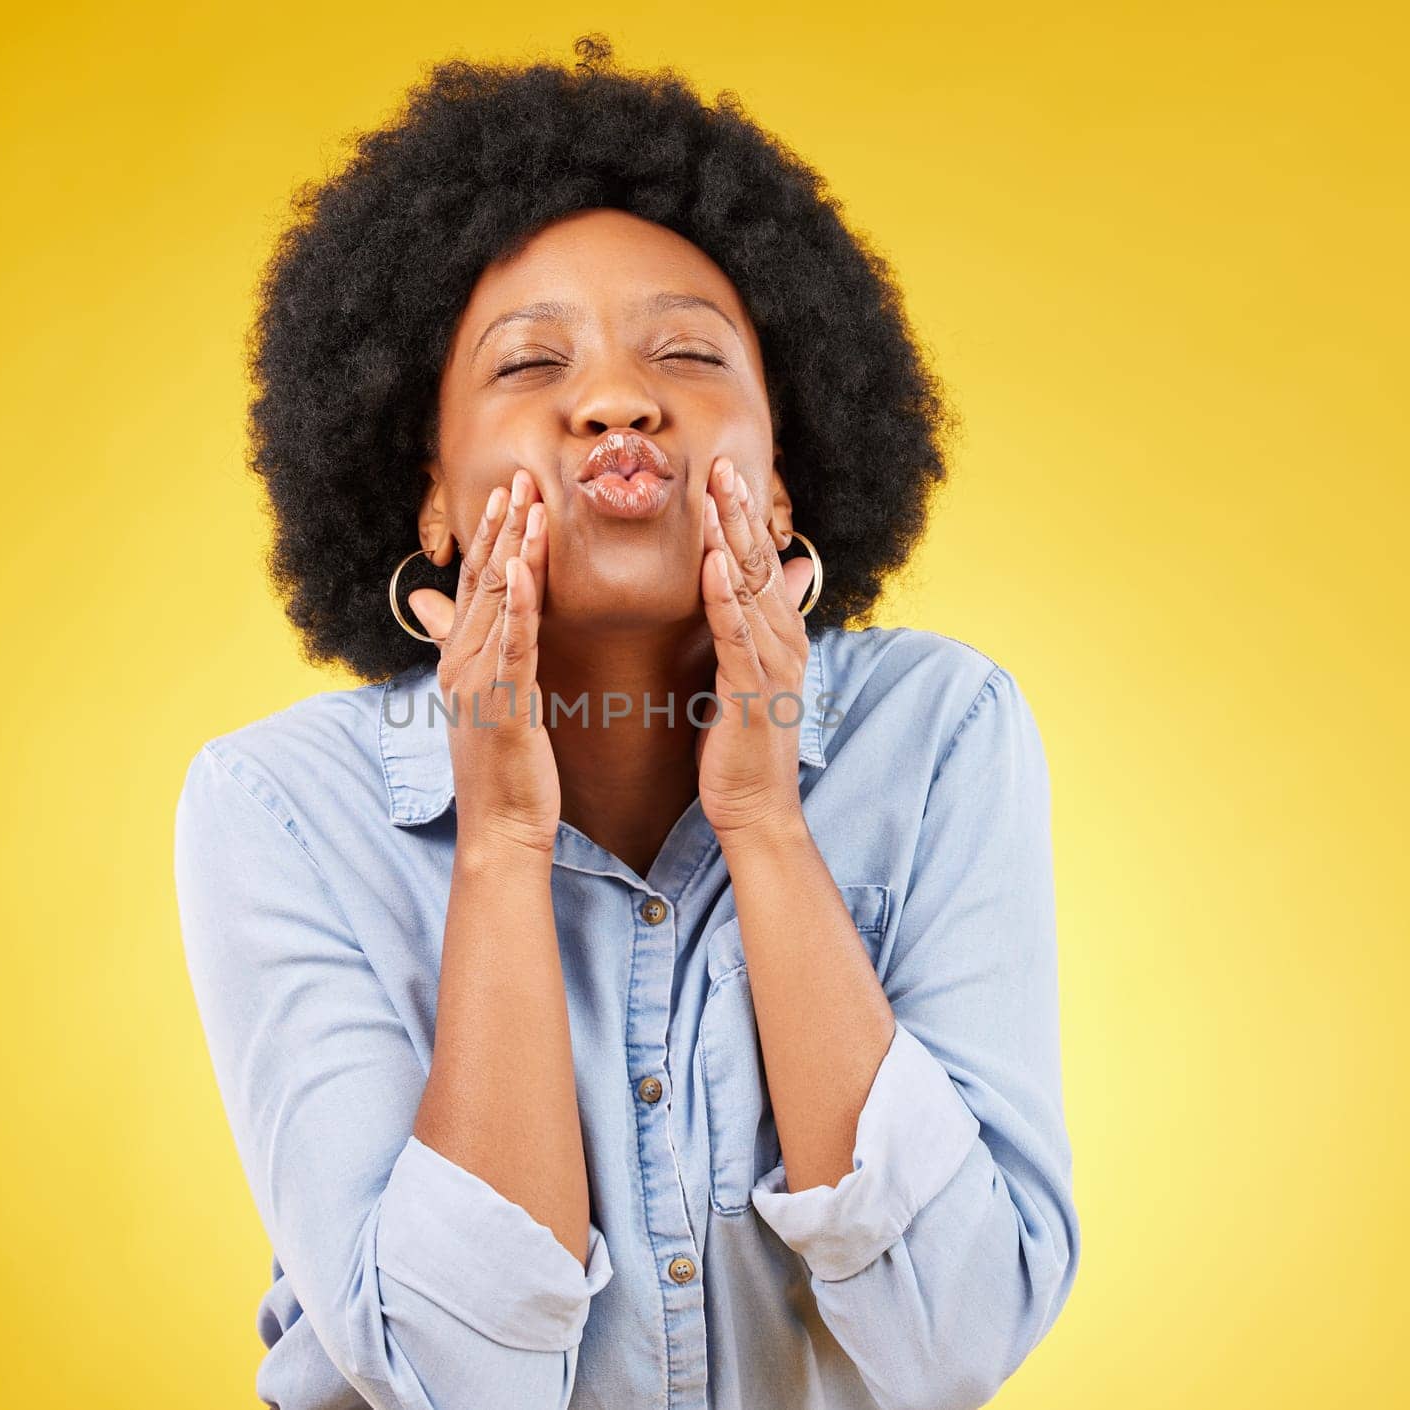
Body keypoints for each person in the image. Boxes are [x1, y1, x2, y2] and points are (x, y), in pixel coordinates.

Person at [174, 34, 1080, 1410]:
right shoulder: (278, 810)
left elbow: (956, 1336)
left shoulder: (945, 733)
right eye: (530, 365)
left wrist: (767, 822)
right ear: (429, 497)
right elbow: (454, 1381)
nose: (614, 400)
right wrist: (498, 841)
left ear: (783, 484)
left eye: (687, 352)